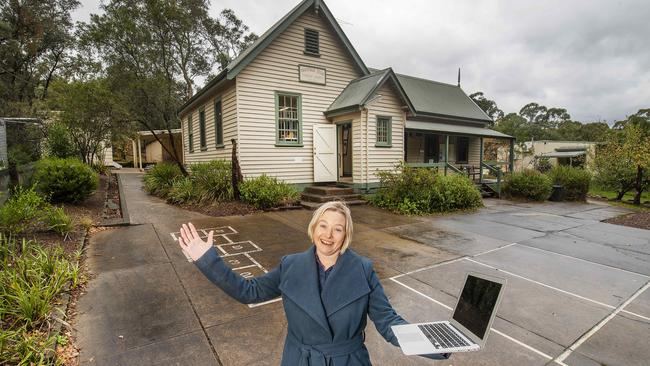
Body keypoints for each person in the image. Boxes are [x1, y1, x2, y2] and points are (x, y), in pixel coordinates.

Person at [179, 201, 450, 365]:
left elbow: (389, 323)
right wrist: (208, 259)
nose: (328, 235)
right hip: (300, 361)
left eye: (338, 228)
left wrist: (439, 342)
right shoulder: (290, 265)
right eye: (323, 225)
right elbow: (247, 291)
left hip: (348, 362)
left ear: (346, 235)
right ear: (313, 228)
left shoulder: (364, 270)